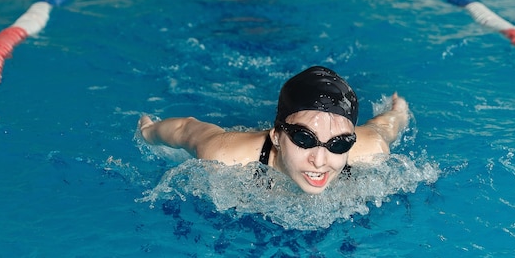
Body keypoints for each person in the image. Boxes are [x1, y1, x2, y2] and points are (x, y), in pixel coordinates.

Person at [139, 66, 409, 194]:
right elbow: (187, 129)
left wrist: (398, 110)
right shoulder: (225, 155)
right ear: (277, 136)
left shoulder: (370, 149)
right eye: (305, 139)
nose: (321, 160)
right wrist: (149, 132)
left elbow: (386, 126)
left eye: (338, 144)